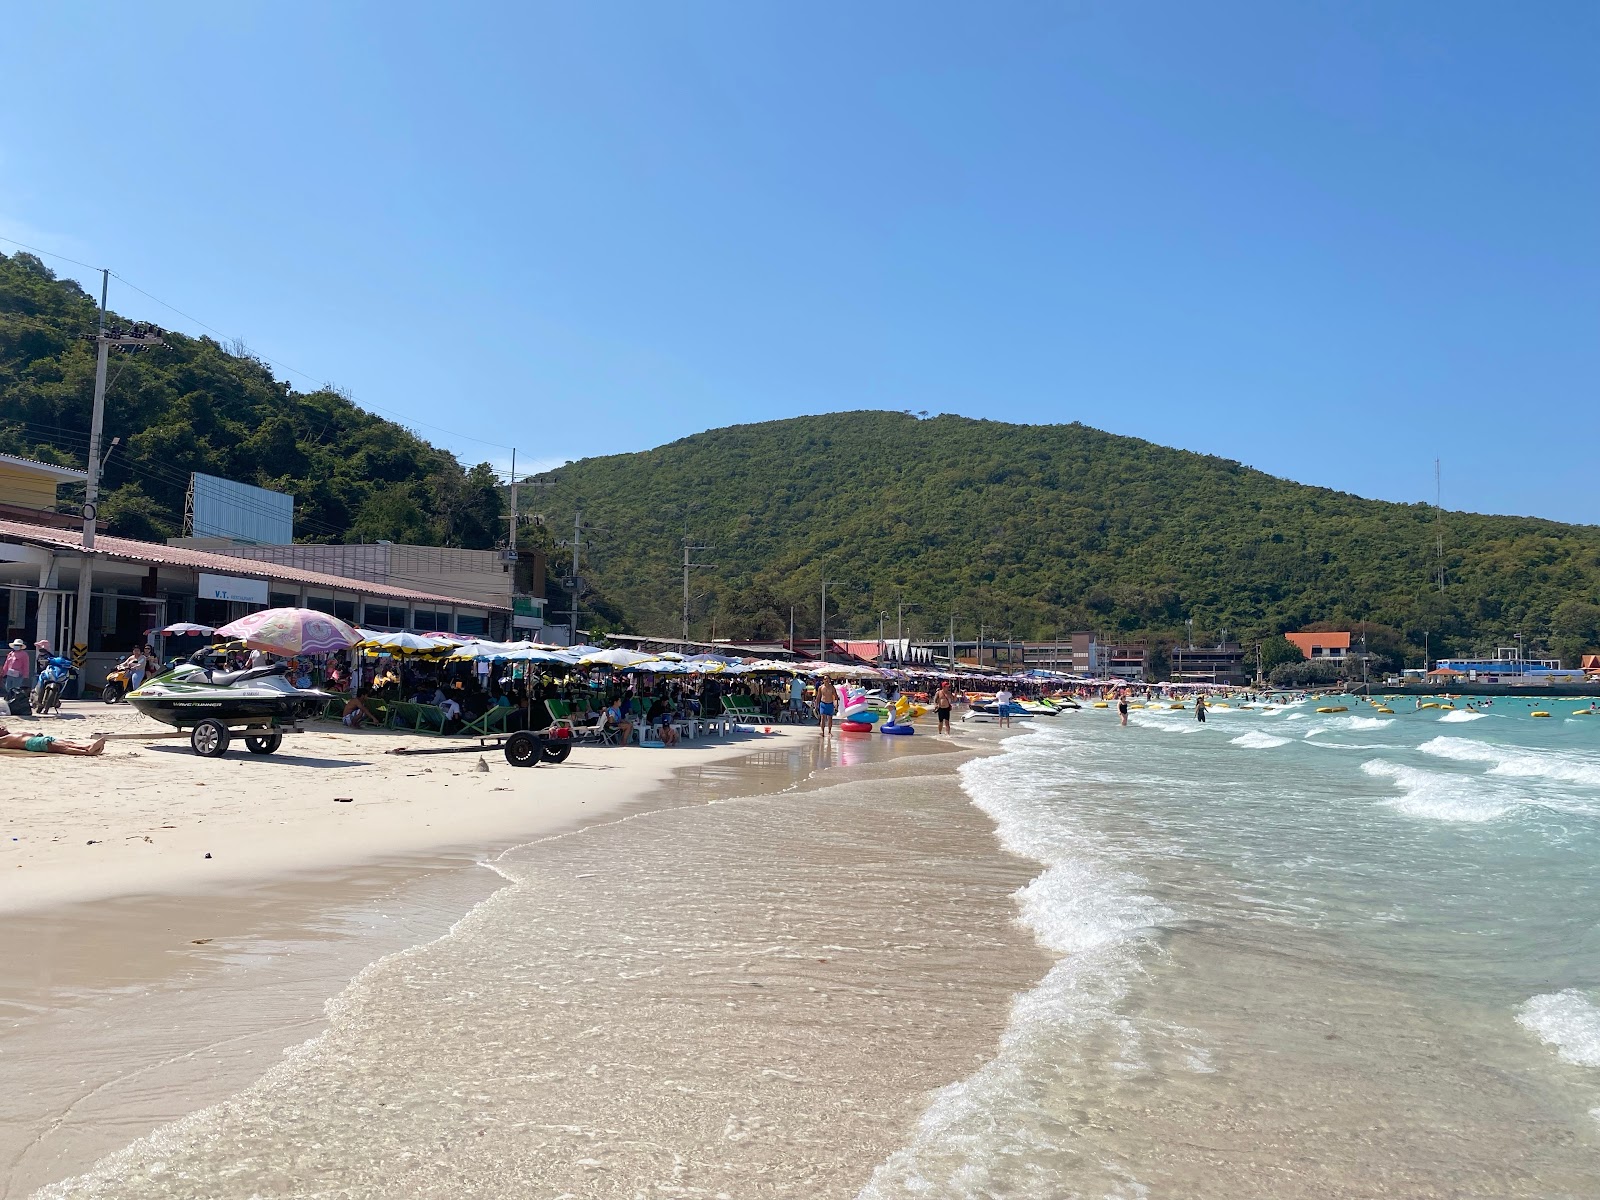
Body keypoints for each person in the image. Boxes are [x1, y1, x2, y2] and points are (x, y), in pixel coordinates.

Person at [0, 723, 107, 756]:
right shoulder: (3, 739)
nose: (2, 727)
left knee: (68, 743)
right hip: (32, 743)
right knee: (62, 748)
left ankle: (86, 747)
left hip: (38, 738)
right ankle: (88, 752)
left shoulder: (13, 733)